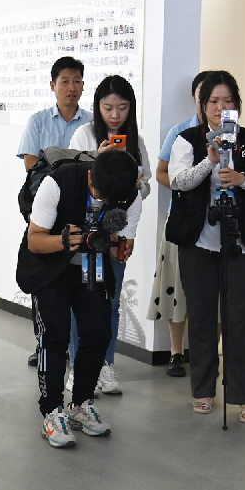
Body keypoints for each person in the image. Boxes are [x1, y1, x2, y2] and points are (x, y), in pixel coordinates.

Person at [166, 70, 245, 424]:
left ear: (236, 105)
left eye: (228, 101)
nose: (220, 107)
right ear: (202, 104)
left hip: (242, 243)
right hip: (198, 242)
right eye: (213, 101)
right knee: (202, 317)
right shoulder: (187, 139)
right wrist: (209, 160)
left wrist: (241, 179)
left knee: (242, 320)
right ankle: (203, 390)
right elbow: (179, 181)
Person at [26, 150, 141, 448]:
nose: (106, 203)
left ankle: (81, 404)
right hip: (51, 267)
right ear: (90, 177)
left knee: (98, 333)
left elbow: (120, 247)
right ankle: (52, 411)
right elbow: (34, 240)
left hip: (93, 269)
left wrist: (118, 246)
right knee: (54, 337)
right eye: (100, 196)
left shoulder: (130, 197)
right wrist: (64, 241)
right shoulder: (58, 183)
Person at [66, 75, 150, 395]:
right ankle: (78, 367)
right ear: (97, 106)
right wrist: (96, 160)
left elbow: (144, 189)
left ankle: (106, 365)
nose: (115, 115)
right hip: (87, 233)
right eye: (108, 107)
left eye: (123, 108)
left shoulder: (135, 142)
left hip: (118, 231)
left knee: (110, 301)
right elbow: (72, 180)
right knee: (83, 300)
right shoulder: (84, 134)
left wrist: (135, 186)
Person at [17, 56, 91, 366]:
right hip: (46, 208)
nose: (71, 87)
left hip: (83, 209)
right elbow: (31, 165)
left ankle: (75, 347)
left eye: (77, 81)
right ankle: (44, 343)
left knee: (79, 281)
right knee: (45, 277)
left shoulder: (91, 122)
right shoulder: (38, 121)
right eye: (65, 81)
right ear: (52, 85)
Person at [149, 71, 211, 377]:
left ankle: (209, 354)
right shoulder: (181, 131)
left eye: (221, 98)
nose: (212, 103)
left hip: (219, 225)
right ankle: (176, 352)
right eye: (205, 96)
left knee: (215, 294)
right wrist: (184, 187)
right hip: (183, 221)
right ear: (195, 98)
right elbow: (161, 173)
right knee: (178, 288)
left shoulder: (236, 135)